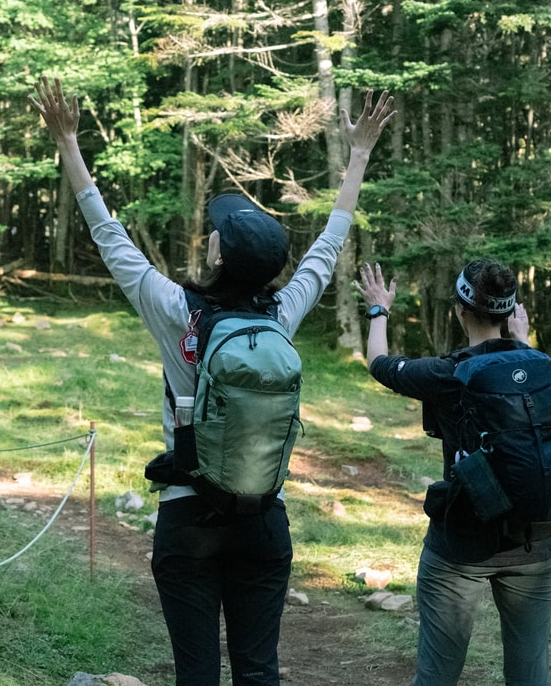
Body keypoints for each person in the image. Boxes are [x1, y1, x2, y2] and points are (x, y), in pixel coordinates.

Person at [33, 76, 394, 686]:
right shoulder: (280, 315)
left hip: (188, 518)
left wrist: (69, 142)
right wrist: (357, 153)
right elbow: (329, 246)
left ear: (219, 257)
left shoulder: (175, 309)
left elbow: (107, 232)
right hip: (263, 516)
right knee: (259, 671)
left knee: (195, 674)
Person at [355, 259, 551, 686]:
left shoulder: (448, 374)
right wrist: (522, 341)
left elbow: (379, 363)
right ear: (509, 314)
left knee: (436, 678)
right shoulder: (543, 367)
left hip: (460, 550)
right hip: (535, 544)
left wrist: (379, 309)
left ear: (460, 310)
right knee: (531, 677)